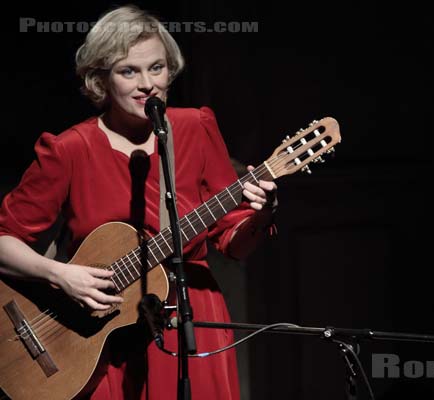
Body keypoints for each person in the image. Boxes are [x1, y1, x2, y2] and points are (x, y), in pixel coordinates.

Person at [0, 5, 277, 400]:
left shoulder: (195, 127)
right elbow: (3, 240)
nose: (147, 84)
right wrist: (59, 275)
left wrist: (262, 212)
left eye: (157, 68)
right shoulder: (69, 149)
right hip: (98, 332)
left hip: (189, 316)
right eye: (128, 71)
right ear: (101, 80)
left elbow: (233, 243)